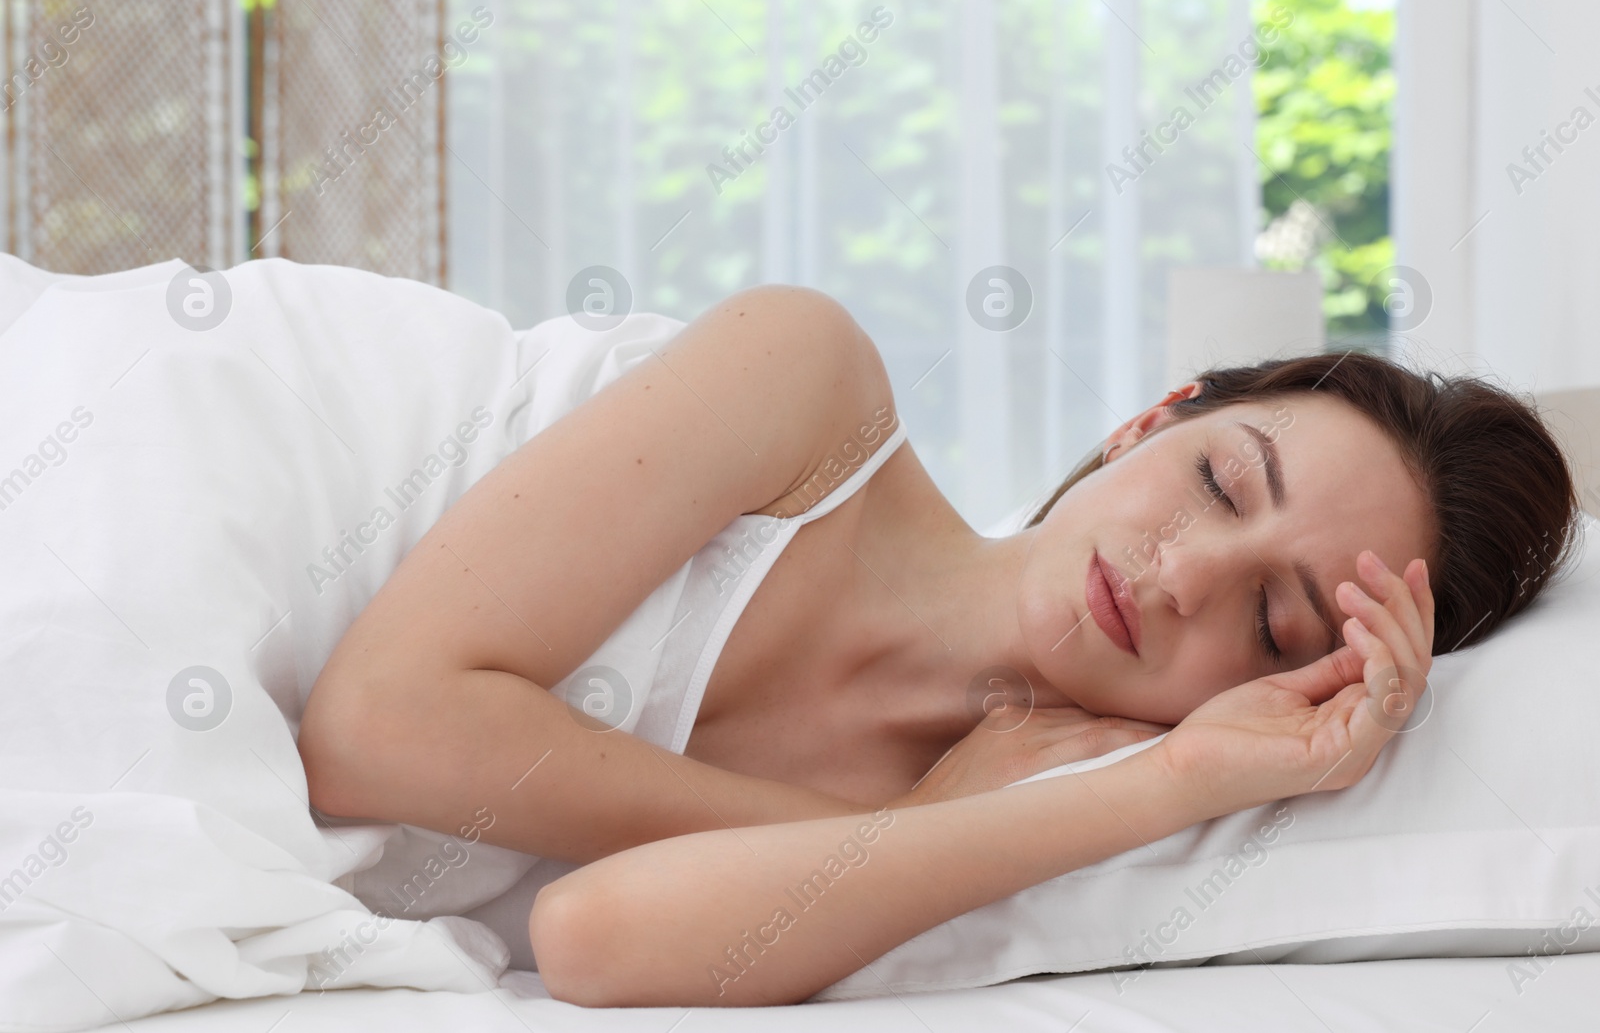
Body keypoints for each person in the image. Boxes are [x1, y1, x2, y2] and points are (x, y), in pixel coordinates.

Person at [296, 284, 1579, 1008]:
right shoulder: (805, 384)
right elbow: (372, 732)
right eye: (1220, 485)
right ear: (1149, 419)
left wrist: (1180, 781)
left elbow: (589, 937)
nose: (1180, 572)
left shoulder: (1013, 810)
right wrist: (859, 822)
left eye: (1272, 622)